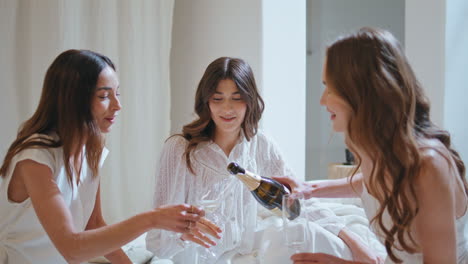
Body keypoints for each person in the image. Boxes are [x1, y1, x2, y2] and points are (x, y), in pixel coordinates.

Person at [145, 57, 382, 263]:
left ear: (249, 100)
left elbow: (298, 202)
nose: (227, 109)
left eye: (236, 98)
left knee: (313, 237)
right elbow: (157, 239)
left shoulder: (260, 144)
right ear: (206, 102)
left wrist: (355, 243)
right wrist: (184, 233)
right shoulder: (180, 149)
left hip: (244, 256)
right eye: (218, 99)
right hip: (195, 257)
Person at [274, 27, 468, 263]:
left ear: (361, 93)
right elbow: (371, 182)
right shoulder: (383, 154)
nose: (322, 100)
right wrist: (308, 189)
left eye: (330, 88)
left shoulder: (429, 166)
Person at [0, 49, 209, 264]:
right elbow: (72, 248)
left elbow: (94, 223)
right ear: (73, 99)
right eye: (104, 96)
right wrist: (153, 219)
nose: (117, 106)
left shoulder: (89, 148)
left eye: (117, 93)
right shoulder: (35, 158)